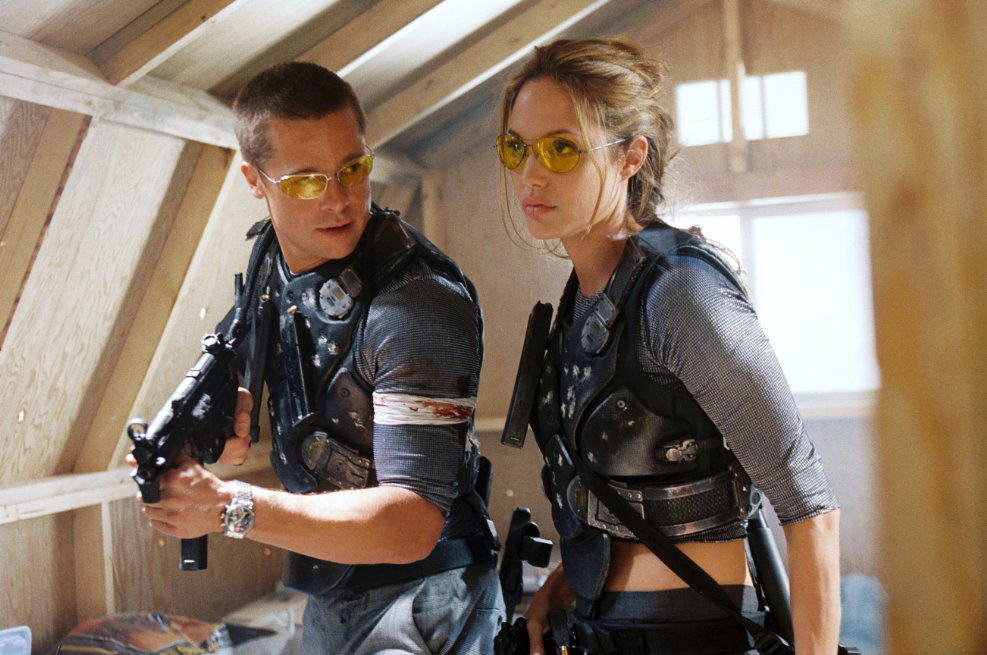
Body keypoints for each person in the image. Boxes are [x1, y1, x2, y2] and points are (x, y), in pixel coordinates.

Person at [136, 61, 504, 654]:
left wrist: (231, 506)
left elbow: (413, 523)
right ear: (254, 181)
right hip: (331, 589)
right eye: (306, 182)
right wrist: (215, 424)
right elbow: (238, 349)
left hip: (427, 598)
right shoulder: (270, 263)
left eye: (353, 169)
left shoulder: (417, 302)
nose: (339, 200)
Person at [497, 39, 841, 654]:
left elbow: (809, 505)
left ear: (631, 157)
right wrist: (565, 586)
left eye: (561, 148)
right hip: (600, 631)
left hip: (689, 638)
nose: (531, 174)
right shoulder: (583, 299)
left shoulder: (680, 294)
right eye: (517, 148)